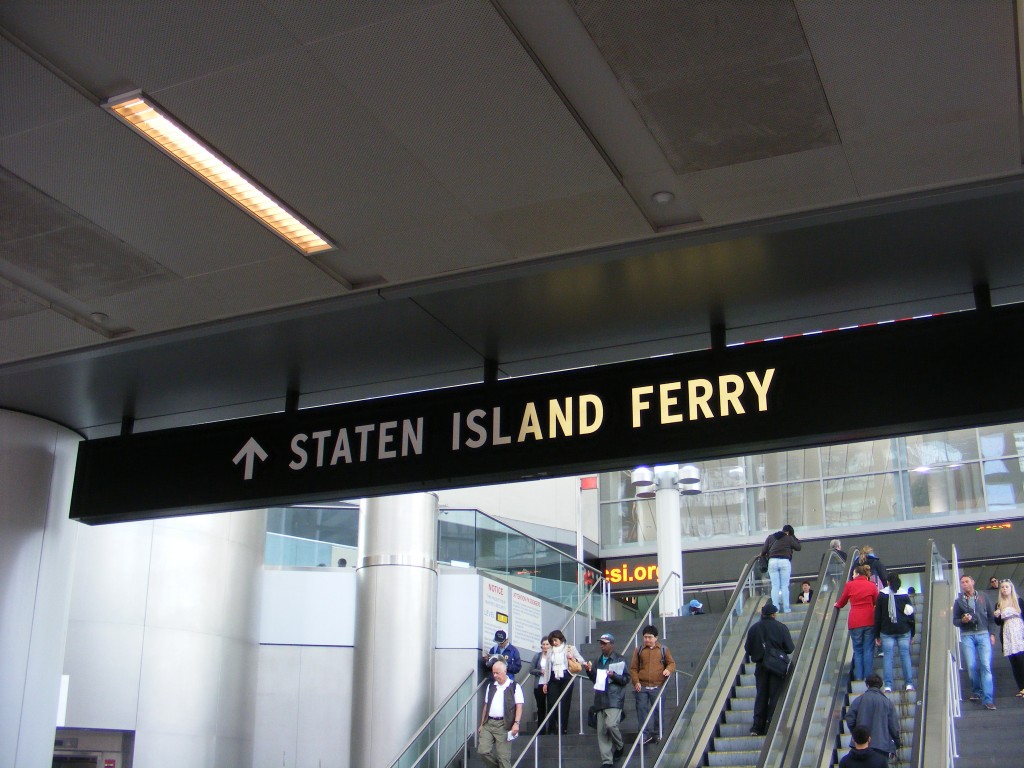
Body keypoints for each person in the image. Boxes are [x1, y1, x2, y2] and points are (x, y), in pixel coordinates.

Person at [744, 601, 795, 737]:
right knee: (775, 696)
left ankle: (757, 728)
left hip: (761, 666)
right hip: (777, 668)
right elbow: (790, 648)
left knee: (761, 695)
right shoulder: (781, 627)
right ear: (774, 614)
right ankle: (773, 725)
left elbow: (748, 649)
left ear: (762, 614)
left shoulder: (754, 629)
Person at [953, 574, 997, 709]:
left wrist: (992, 633)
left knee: (985, 665)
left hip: (983, 633)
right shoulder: (959, 601)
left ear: (972, 582)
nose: (964, 584)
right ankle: (976, 690)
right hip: (967, 635)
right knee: (971, 666)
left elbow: (990, 615)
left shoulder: (983, 596)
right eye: (962, 582)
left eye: (967, 581)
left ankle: (988, 698)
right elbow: (955, 620)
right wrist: (963, 621)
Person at [629, 624, 676, 745]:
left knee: (658, 711)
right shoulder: (639, 650)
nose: (647, 640)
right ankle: (643, 735)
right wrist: (636, 681)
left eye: (650, 637)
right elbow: (633, 668)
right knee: (641, 710)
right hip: (642, 686)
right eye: (645, 637)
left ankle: (658, 734)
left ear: (656, 638)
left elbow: (671, 663)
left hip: (658, 686)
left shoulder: (663, 649)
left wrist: (668, 670)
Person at [586, 633, 628, 768]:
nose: (602, 646)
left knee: (611, 725)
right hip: (600, 697)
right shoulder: (598, 660)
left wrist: (614, 675)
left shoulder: (619, 659)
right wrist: (589, 671)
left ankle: (620, 745)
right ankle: (607, 761)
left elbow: (625, 679)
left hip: (614, 698)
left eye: (604, 643)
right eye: (601, 643)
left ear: (611, 644)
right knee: (601, 732)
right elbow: (595, 679)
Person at [835, 564, 879, 681]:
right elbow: (877, 601)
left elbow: (842, 601)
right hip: (869, 620)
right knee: (868, 649)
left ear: (857, 574)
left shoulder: (850, 585)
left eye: (853, 574)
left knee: (858, 650)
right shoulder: (871, 585)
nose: (852, 576)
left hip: (855, 621)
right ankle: (868, 677)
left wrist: (837, 605)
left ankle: (859, 678)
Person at [873, 573, 915, 693]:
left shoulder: (882, 595)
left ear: (888, 582)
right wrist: (912, 632)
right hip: (904, 630)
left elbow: (878, 616)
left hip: (886, 630)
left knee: (888, 657)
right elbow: (910, 614)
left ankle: (888, 686)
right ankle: (909, 684)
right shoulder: (904, 595)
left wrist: (877, 634)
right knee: (905, 656)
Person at [477, 660, 524, 768]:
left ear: (505, 671)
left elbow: (519, 706)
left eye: (497, 673)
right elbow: (486, 705)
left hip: (504, 724)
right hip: (489, 723)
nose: (495, 675)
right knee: (483, 751)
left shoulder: (514, 686)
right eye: (494, 673)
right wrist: (481, 723)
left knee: (503, 757)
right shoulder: (491, 686)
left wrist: (516, 723)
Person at [844, 674, 900, 761]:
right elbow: (894, 726)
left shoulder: (859, 700)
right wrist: (897, 742)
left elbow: (850, 718)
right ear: (880, 686)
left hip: (861, 745)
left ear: (867, 685)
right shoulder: (887, 703)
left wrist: (858, 734)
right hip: (882, 746)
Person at [542, 629, 586, 734]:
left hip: (566, 676)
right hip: (553, 678)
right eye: (552, 641)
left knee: (565, 703)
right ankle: (553, 727)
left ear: (561, 639)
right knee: (552, 703)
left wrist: (572, 658)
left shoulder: (570, 648)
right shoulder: (550, 651)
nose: (554, 643)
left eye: (555, 640)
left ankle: (563, 728)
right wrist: (545, 682)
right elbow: (548, 667)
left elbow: (581, 660)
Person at [993, 578, 1024, 697]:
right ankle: (1021, 687)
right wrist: (997, 616)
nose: (1004, 589)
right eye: (1002, 587)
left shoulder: (1018, 601)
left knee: (1021, 660)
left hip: (1019, 631)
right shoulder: (999, 604)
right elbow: (998, 622)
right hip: (1007, 632)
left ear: (1011, 588)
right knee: (1014, 662)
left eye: (1007, 587)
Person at [761, 524, 801, 613]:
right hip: (784, 561)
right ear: (788, 532)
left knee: (775, 586)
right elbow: (798, 547)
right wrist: (793, 536)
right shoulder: (789, 538)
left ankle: (776, 609)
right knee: (784, 586)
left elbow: (763, 551)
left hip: (772, 561)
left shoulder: (770, 537)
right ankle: (786, 609)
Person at [528, 637, 551, 727]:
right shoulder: (537, 656)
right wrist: (540, 671)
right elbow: (531, 669)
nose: (545, 646)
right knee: (540, 707)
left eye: (547, 644)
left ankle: (552, 728)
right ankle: (540, 728)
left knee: (550, 705)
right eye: (543, 644)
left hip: (549, 683)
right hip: (539, 684)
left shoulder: (552, 656)